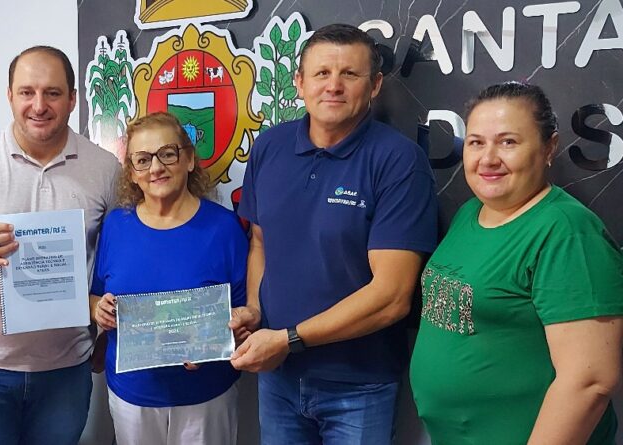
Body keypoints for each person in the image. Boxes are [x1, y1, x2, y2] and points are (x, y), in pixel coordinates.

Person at [230, 24, 438, 444]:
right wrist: (254, 308)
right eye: (322, 73)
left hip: (358, 385)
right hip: (278, 377)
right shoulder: (269, 147)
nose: (334, 86)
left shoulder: (399, 161)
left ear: (374, 85)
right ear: (299, 82)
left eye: (350, 74)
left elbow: (392, 297)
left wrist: (289, 339)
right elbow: (261, 243)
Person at [0, 46, 119, 444]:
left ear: (72, 99)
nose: (39, 105)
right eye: (27, 92)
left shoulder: (104, 168)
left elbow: (117, 258)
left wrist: (105, 330)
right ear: (10, 96)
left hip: (65, 369)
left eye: (52, 93)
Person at [409, 82, 623, 444]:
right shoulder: (470, 213)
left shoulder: (567, 232)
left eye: (508, 142)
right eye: (476, 142)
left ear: (549, 147)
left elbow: (590, 382)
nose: (488, 158)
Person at [92, 112, 247, 445]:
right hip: (132, 394)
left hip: (206, 394)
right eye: (143, 160)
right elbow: (97, 295)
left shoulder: (223, 228)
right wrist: (98, 309)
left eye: (167, 154)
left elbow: (246, 314)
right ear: (132, 173)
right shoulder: (116, 225)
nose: (156, 168)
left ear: (189, 160)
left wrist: (214, 342)